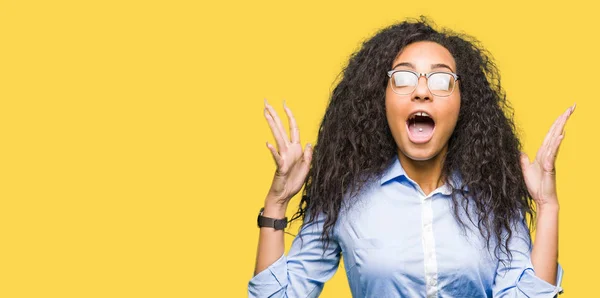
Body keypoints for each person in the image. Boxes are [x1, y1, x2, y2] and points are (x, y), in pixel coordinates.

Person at [248, 18, 572, 298]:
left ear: (463, 104)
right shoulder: (344, 196)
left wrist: (547, 207)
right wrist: (276, 204)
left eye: (441, 79)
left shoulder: (493, 199)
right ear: (382, 99)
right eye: (403, 78)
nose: (421, 91)